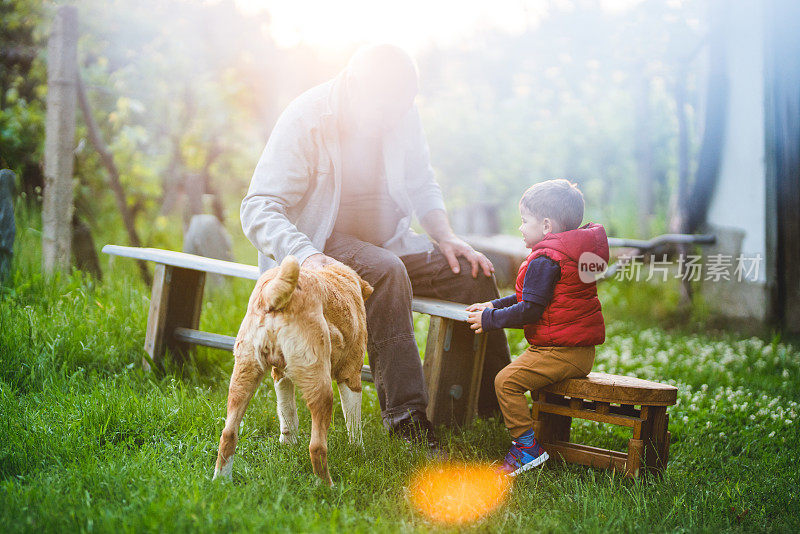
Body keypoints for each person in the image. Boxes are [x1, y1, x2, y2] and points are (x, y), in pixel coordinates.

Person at [240, 44, 511, 453]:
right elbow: (257, 205)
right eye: (383, 112)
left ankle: (499, 406)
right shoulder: (306, 118)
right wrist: (306, 253)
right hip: (319, 246)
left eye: (399, 111)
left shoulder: (400, 109)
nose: (391, 121)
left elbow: (422, 181)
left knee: (473, 272)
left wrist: (447, 236)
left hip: (387, 240)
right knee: (385, 271)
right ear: (353, 86)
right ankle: (406, 420)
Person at [466, 179, 609, 476]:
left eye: (524, 220)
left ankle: (527, 448)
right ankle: (541, 440)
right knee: (515, 377)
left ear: (546, 225)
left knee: (506, 381)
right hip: (575, 350)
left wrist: (489, 320)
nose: (520, 228)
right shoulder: (568, 254)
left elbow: (530, 309)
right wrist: (494, 305)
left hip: (561, 351)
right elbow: (529, 297)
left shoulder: (546, 259)